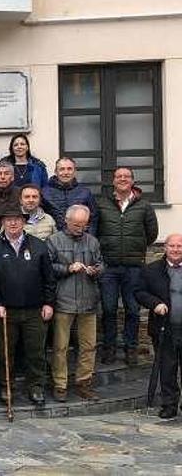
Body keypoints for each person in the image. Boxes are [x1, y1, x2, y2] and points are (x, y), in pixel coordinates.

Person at [0, 209, 56, 407]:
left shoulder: (38, 246)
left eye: (17, 220)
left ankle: (36, 387)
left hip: (35, 310)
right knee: (4, 352)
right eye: (8, 220)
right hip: (6, 311)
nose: (13, 224)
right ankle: (6, 386)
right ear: (3, 223)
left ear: (24, 222)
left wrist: (48, 303)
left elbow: (49, 279)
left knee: (35, 352)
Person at [96, 167, 159, 366]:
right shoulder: (102, 203)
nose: (122, 179)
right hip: (108, 266)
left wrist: (136, 248)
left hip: (134, 267)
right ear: (113, 181)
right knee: (108, 309)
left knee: (132, 309)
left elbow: (152, 234)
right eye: (118, 176)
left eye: (126, 176)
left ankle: (131, 348)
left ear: (132, 181)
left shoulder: (144, 205)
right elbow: (95, 231)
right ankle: (109, 347)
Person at [47, 205, 103, 402]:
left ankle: (84, 382)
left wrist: (96, 270)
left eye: (84, 224)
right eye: (76, 224)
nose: (80, 228)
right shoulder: (54, 240)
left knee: (89, 345)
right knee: (60, 347)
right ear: (67, 221)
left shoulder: (92, 241)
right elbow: (47, 267)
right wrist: (68, 268)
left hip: (88, 300)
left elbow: (101, 264)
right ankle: (60, 385)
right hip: (64, 300)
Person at [135, 233, 182, 419]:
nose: (176, 250)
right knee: (167, 368)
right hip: (165, 328)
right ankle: (169, 405)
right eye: (172, 246)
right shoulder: (151, 270)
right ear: (165, 248)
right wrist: (155, 303)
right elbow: (138, 292)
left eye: (179, 246)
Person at [42, 157, 98, 233]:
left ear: (75, 171)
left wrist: (89, 237)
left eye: (69, 169)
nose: (66, 172)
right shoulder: (44, 193)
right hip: (54, 239)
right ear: (56, 171)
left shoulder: (85, 192)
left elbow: (93, 218)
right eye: (62, 169)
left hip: (79, 238)